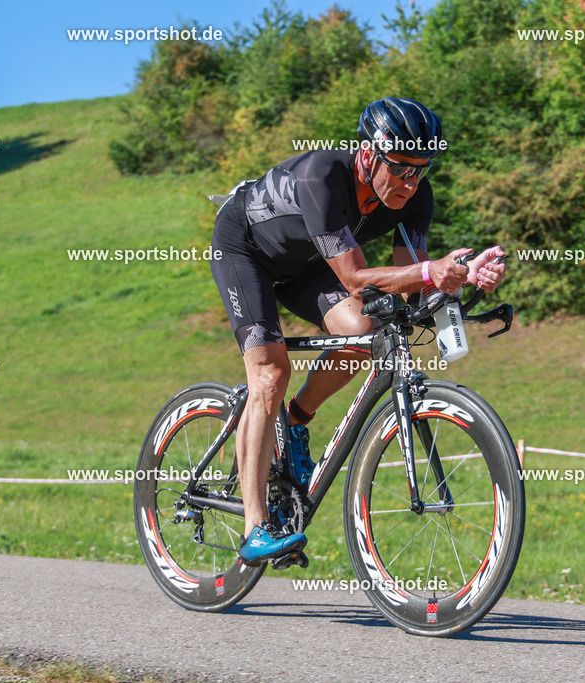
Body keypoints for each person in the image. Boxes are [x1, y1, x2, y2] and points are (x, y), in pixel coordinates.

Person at [209, 97, 507, 566]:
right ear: (369, 155)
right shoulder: (321, 176)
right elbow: (354, 280)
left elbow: (407, 284)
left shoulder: (416, 198)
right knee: (269, 373)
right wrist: (435, 271)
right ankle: (254, 528)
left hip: (308, 264)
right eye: (402, 168)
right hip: (247, 251)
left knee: (366, 331)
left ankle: (296, 420)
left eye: (422, 170)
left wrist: (462, 275)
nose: (411, 183)